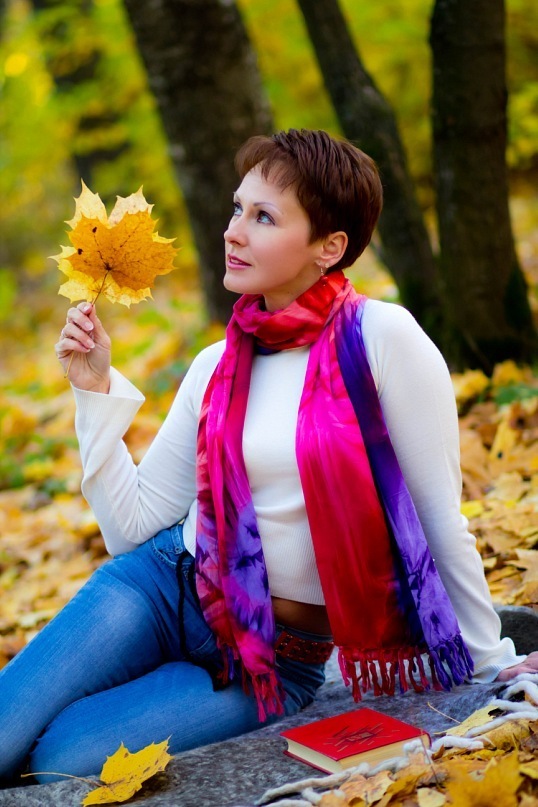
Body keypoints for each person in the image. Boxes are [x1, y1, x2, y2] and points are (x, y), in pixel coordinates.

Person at [1, 129, 536, 786]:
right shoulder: (217, 365)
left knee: (59, 760)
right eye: (237, 208)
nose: (233, 231)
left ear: (328, 246)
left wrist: (490, 662)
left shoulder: (383, 339)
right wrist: (93, 392)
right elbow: (131, 528)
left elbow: (437, 517)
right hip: (161, 587)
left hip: (276, 657)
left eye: (263, 217)